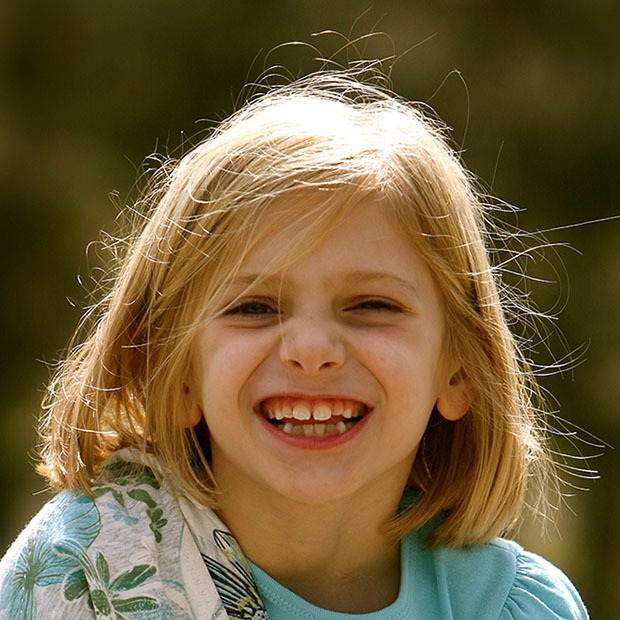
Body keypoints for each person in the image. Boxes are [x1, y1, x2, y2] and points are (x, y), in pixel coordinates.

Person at [0, 67, 589, 619]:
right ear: (172, 372)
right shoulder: (77, 579)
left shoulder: (512, 607)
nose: (311, 349)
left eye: (372, 306)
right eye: (253, 307)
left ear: (459, 370)